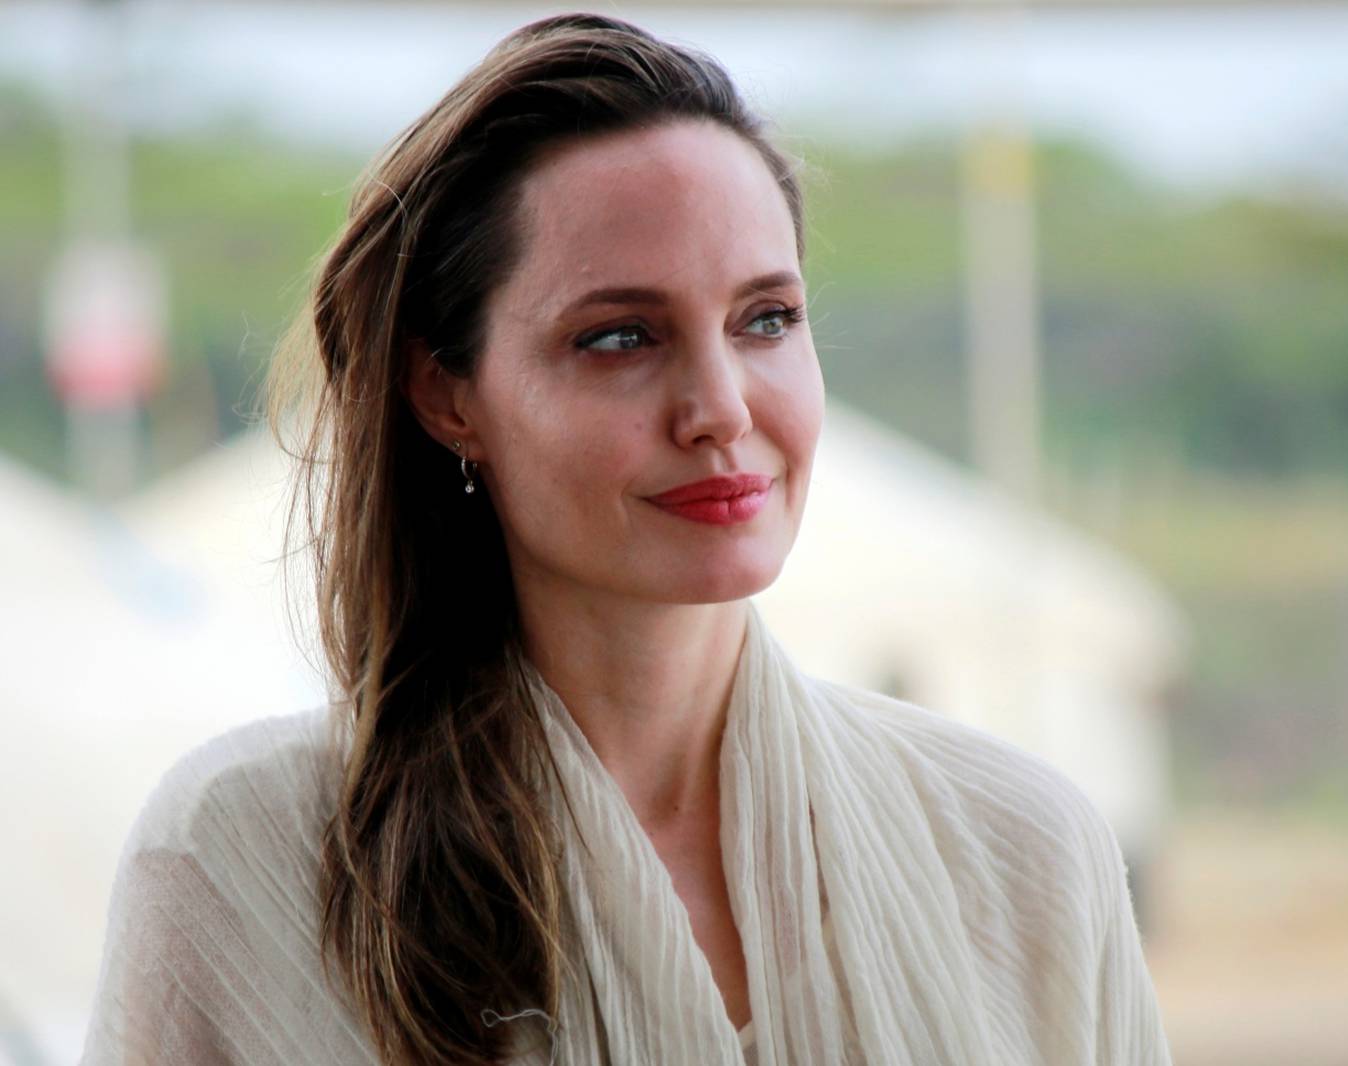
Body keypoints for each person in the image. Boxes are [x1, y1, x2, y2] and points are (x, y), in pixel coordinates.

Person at [80, 14, 1171, 1066]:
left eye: (766, 319)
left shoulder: (1022, 850)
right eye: (619, 337)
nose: (721, 407)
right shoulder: (245, 859)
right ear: (445, 392)